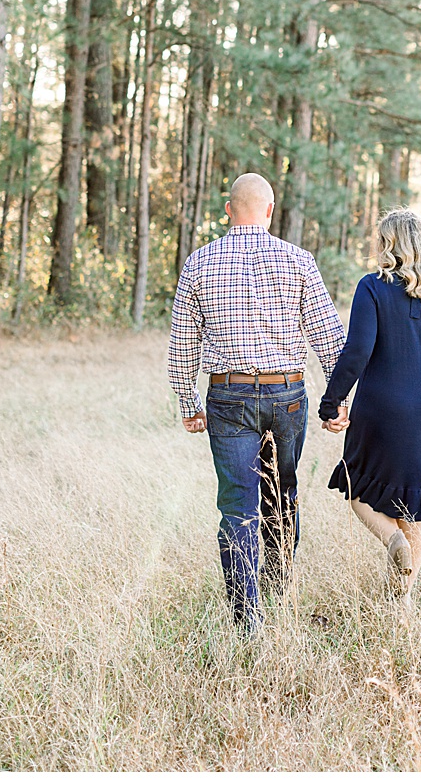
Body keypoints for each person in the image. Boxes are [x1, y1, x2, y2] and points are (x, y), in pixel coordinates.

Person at [168, 172, 346, 632]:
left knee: (236, 505)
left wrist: (189, 402)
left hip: (227, 396)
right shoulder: (298, 260)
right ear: (269, 211)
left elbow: (183, 345)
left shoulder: (199, 263)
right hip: (286, 394)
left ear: (229, 210)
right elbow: (331, 339)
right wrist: (339, 400)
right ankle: (278, 590)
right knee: (282, 496)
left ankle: (248, 618)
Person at [319, 208, 421, 596]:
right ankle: (401, 602)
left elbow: (357, 351)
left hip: (383, 408)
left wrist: (332, 402)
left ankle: (392, 539)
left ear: (387, 244)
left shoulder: (372, 287)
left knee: (359, 490)